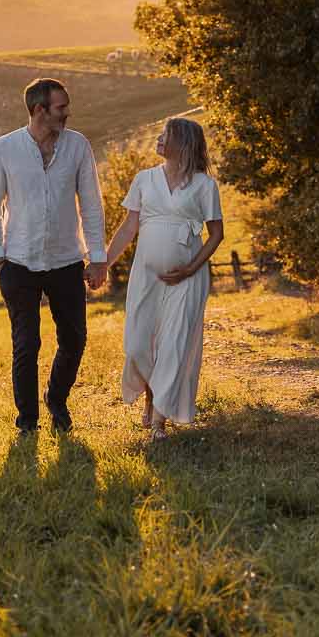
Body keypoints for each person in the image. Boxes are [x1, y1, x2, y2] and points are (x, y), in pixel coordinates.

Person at [0, 77, 109, 434]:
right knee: (26, 343)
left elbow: (92, 204)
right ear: (40, 110)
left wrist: (97, 257)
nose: (67, 113)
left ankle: (56, 399)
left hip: (67, 260)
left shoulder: (78, 146)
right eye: (61, 107)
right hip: (18, 261)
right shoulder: (4, 149)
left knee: (74, 339)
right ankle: (28, 422)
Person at [103, 117, 224, 440]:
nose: (157, 139)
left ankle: (158, 421)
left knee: (173, 346)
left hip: (188, 279)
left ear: (182, 143)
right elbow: (129, 228)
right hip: (146, 275)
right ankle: (150, 396)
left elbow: (216, 234)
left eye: (164, 135)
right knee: (138, 344)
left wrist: (191, 268)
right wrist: (102, 262)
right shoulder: (144, 179)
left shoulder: (204, 185)